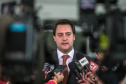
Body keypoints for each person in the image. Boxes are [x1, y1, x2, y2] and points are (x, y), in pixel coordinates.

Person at [44, 19, 94, 84]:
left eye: (68, 34)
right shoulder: (44, 60)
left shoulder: (88, 61)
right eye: (60, 35)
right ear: (54, 38)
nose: (64, 38)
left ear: (74, 36)